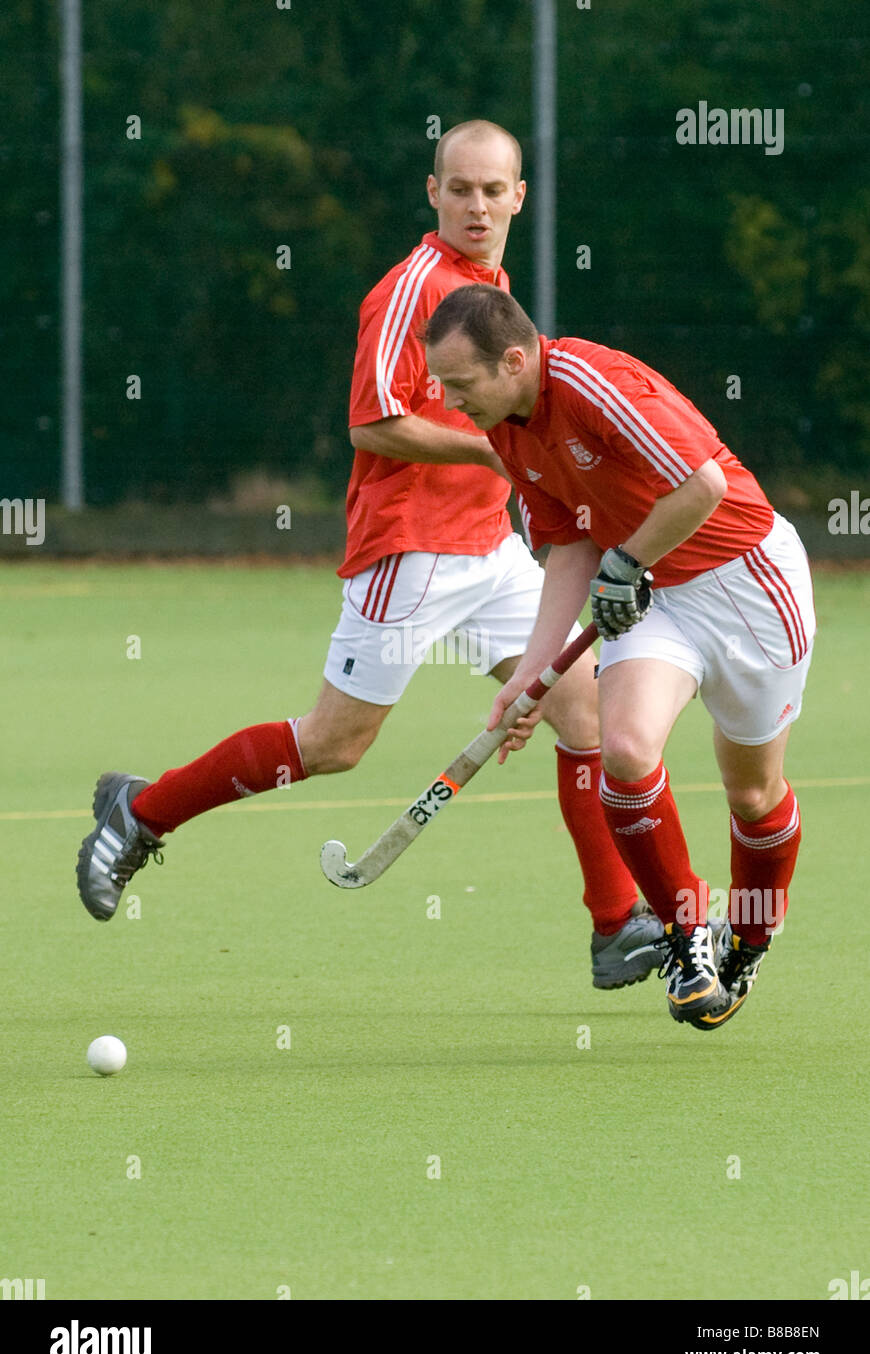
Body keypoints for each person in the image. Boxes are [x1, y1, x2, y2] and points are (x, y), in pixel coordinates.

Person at [77, 121, 662, 989]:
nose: (476, 206)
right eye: (459, 189)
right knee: (333, 744)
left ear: (519, 198)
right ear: (433, 192)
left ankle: (616, 925)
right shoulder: (412, 290)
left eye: (492, 191)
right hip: (409, 550)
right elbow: (373, 422)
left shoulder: (493, 286)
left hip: (489, 550)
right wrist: (491, 453)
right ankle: (141, 812)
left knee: (584, 714)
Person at [422, 282, 815, 1029]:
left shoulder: (593, 384)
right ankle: (687, 937)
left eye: (460, 384)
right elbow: (569, 543)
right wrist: (534, 677)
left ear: (513, 360)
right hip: (653, 593)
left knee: (753, 794)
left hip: (748, 585)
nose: (451, 402)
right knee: (626, 752)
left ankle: (750, 939)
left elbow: (700, 485)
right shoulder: (507, 426)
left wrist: (627, 560)